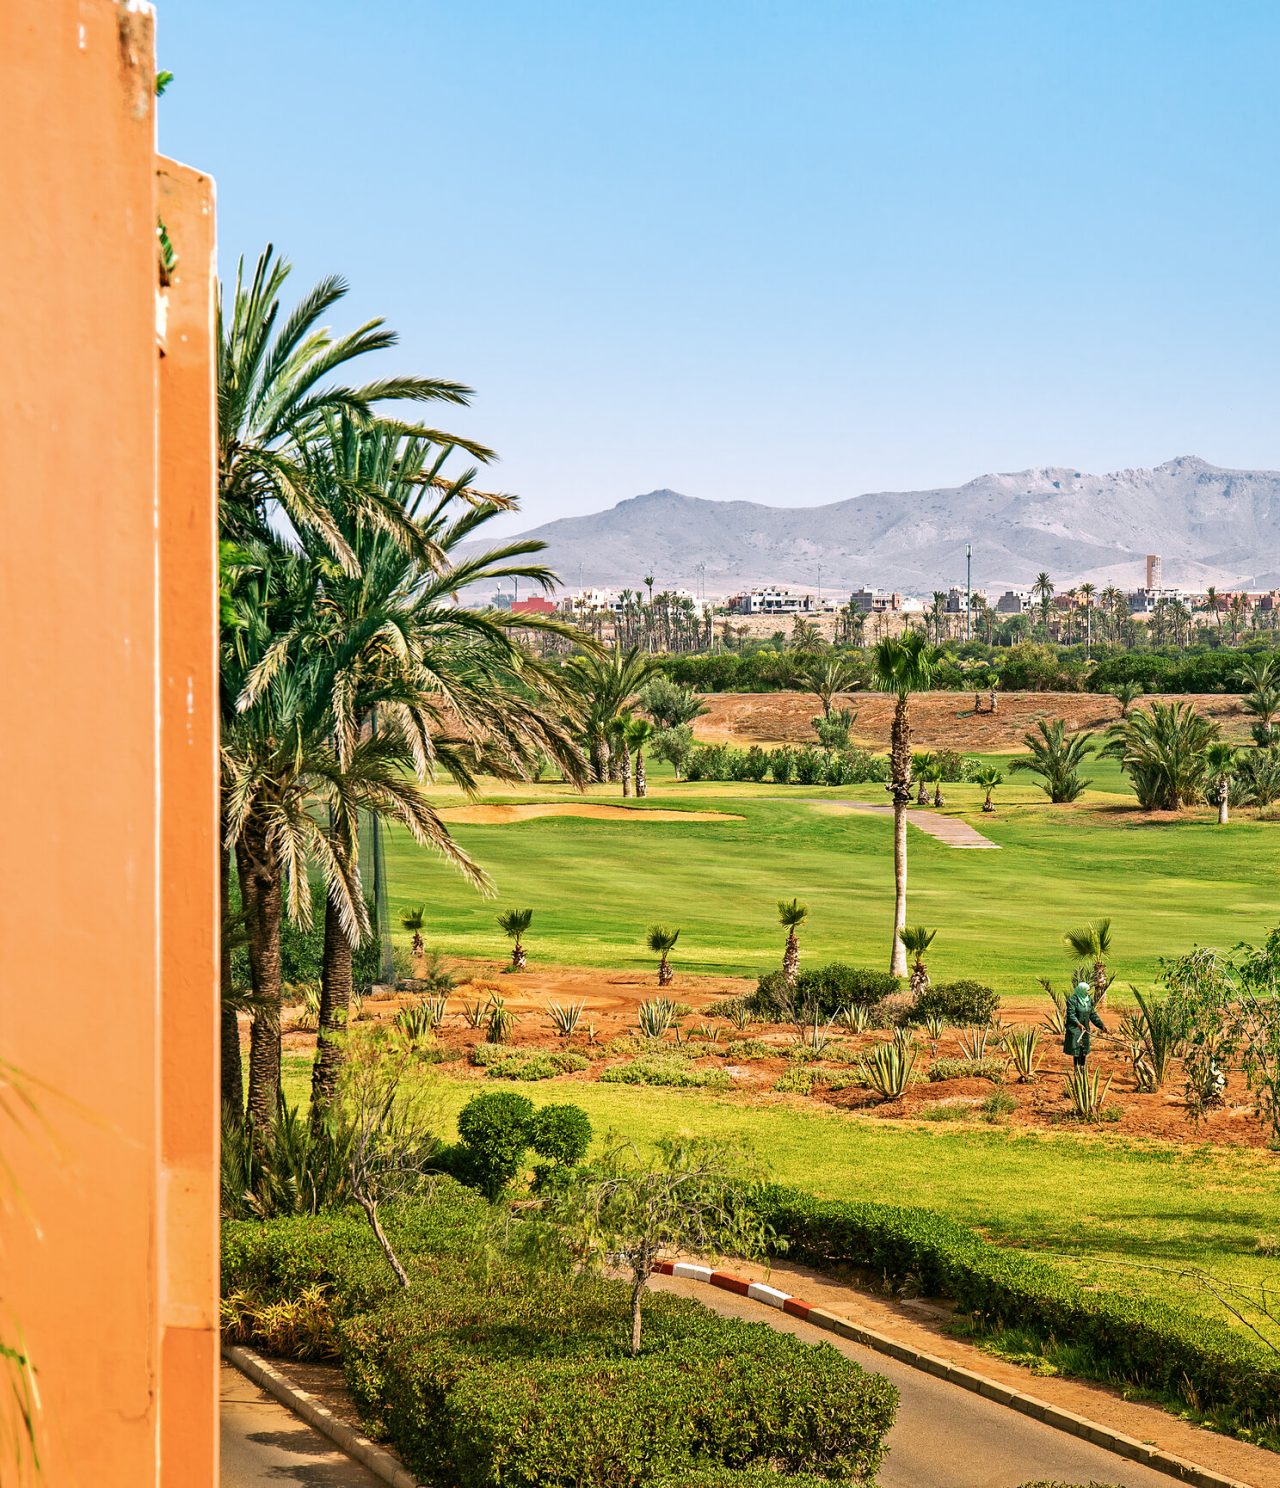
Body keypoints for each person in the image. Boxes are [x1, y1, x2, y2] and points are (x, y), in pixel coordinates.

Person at [1063, 979, 1105, 1070]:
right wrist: (1078, 1024)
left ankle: (1082, 1067)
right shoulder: (1072, 1000)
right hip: (1075, 1028)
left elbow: (1092, 1015)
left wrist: (1101, 1026)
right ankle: (1076, 1068)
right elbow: (1071, 1015)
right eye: (1087, 990)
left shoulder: (1088, 1001)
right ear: (1081, 990)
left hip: (1085, 1028)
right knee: (1076, 1049)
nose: (1088, 992)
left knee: (1084, 1048)